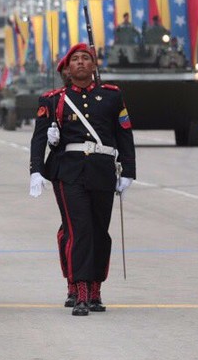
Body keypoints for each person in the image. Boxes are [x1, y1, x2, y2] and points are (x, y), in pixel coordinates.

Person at [29, 42, 136, 316]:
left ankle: (96, 288)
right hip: (69, 171)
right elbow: (40, 137)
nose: (80, 62)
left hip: (102, 170)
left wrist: (129, 171)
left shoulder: (112, 96)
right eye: (74, 59)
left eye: (85, 58)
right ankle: (80, 291)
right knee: (80, 230)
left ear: (94, 66)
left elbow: (124, 133)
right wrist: (36, 169)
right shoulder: (54, 99)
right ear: (66, 69)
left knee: (100, 231)